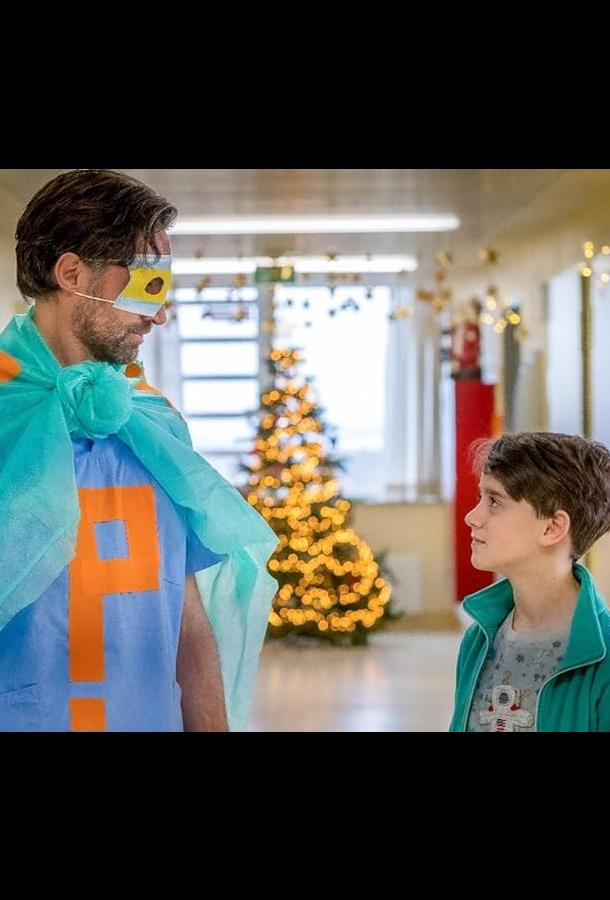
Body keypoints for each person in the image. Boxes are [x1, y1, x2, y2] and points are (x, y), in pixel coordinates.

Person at [0, 169, 277, 732]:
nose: (160, 314)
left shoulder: (153, 421)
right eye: (148, 286)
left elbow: (187, 616)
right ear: (71, 273)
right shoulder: (7, 411)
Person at [450, 431, 610, 732]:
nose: (472, 516)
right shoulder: (478, 640)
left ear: (552, 527)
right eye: (481, 497)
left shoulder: (605, 662)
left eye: (494, 501)